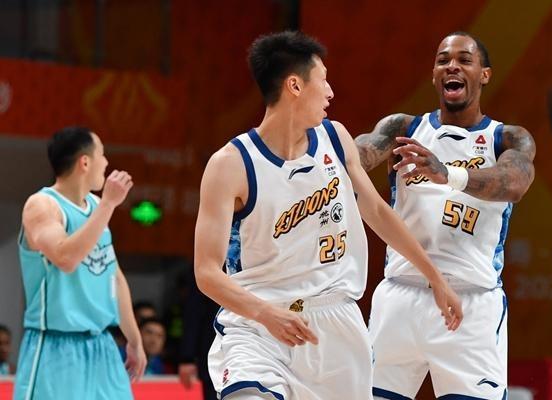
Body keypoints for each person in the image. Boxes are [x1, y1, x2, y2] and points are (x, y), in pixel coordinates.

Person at [194, 31, 463, 400]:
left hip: (335, 323)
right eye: (323, 80)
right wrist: (265, 314)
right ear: (295, 86)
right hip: (258, 324)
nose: (330, 92)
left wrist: (436, 278)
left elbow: (378, 212)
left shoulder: (335, 138)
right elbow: (206, 273)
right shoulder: (230, 164)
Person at [355, 31, 536, 399]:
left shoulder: (507, 138)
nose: (452, 66)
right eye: (443, 60)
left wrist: (449, 174)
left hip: (471, 302)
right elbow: (350, 160)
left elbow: (515, 182)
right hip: (401, 296)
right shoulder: (403, 129)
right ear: (435, 75)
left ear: (484, 74)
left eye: (464, 60)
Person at [13, 127, 147, 400]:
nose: (106, 162)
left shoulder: (97, 206)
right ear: (85, 162)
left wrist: (134, 339)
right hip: (56, 347)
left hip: (103, 345)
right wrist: (108, 205)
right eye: (102, 154)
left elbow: (114, 277)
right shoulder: (42, 205)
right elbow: (65, 258)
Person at [178, 267, 219, 399]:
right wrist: (187, 358)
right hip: (213, 352)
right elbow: (193, 312)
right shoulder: (209, 264)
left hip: (256, 350)